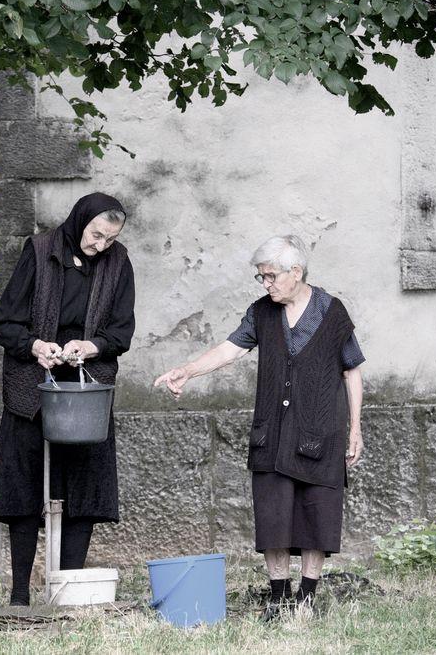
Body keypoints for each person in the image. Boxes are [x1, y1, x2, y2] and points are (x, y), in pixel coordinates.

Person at [153, 235, 364, 620]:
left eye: (270, 276)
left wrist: (355, 430)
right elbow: (230, 349)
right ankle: (279, 597)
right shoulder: (262, 312)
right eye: (261, 278)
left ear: (295, 272)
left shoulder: (332, 312)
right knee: (273, 515)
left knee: (319, 514)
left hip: (322, 431)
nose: (265, 284)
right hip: (273, 432)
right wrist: (187, 370)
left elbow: (352, 371)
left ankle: (306, 599)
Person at [0, 192, 136, 606]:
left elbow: (121, 332)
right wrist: (35, 345)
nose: (101, 245)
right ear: (80, 220)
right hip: (33, 384)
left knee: (84, 486)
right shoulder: (40, 250)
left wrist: (90, 346)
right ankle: (19, 596)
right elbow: (4, 321)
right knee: (24, 485)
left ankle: (66, 591)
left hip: (86, 388)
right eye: (96, 235)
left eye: (110, 238)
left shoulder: (119, 262)